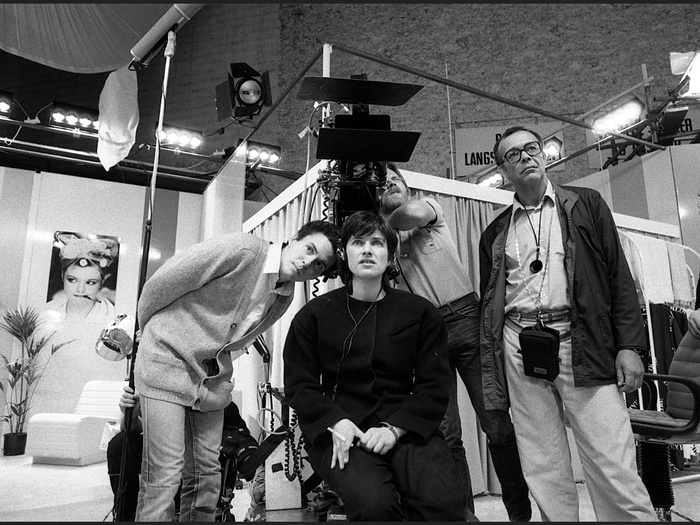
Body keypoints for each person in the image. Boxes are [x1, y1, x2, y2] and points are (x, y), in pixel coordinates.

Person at [478, 125, 657, 521]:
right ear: (503, 171)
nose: (525, 157)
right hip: (519, 343)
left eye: (531, 148)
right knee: (543, 462)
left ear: (544, 154)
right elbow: (490, 304)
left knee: (612, 458)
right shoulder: (495, 232)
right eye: (513, 155)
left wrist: (630, 345)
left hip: (584, 340)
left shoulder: (585, 204)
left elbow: (618, 278)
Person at [133, 220, 341, 522]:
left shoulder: (285, 296)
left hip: (210, 382)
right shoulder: (241, 249)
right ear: (294, 239)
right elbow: (162, 283)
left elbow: (236, 339)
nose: (308, 263)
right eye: (309, 249)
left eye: (319, 265)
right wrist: (148, 332)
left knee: (207, 476)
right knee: (165, 476)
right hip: (166, 362)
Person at [283, 211, 466, 521]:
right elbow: (300, 386)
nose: (367, 250)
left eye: (377, 243)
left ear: (390, 255)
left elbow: (434, 386)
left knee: (443, 504)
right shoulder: (313, 316)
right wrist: (334, 421)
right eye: (358, 242)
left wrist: (394, 430)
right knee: (374, 506)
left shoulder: (421, 313)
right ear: (343, 254)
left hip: (405, 426)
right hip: (341, 429)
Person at [378, 162, 531, 522]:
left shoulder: (427, 208)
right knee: (447, 434)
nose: (390, 184)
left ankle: (519, 513)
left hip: (465, 319)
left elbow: (408, 214)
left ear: (407, 185)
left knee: (496, 423)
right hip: (422, 336)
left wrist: (383, 218)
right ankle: (464, 516)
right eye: (383, 183)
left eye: (395, 179)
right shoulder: (380, 241)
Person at [107, 386, 258, 521]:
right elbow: (134, 429)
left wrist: (253, 461)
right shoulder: (154, 387)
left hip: (196, 462)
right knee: (120, 445)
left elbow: (237, 437)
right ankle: (125, 517)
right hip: (164, 457)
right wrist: (131, 415)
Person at [44, 233, 118, 324]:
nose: (80, 289)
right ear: (62, 276)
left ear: (101, 283)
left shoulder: (112, 317)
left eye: (90, 282)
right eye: (72, 280)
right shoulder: (46, 311)